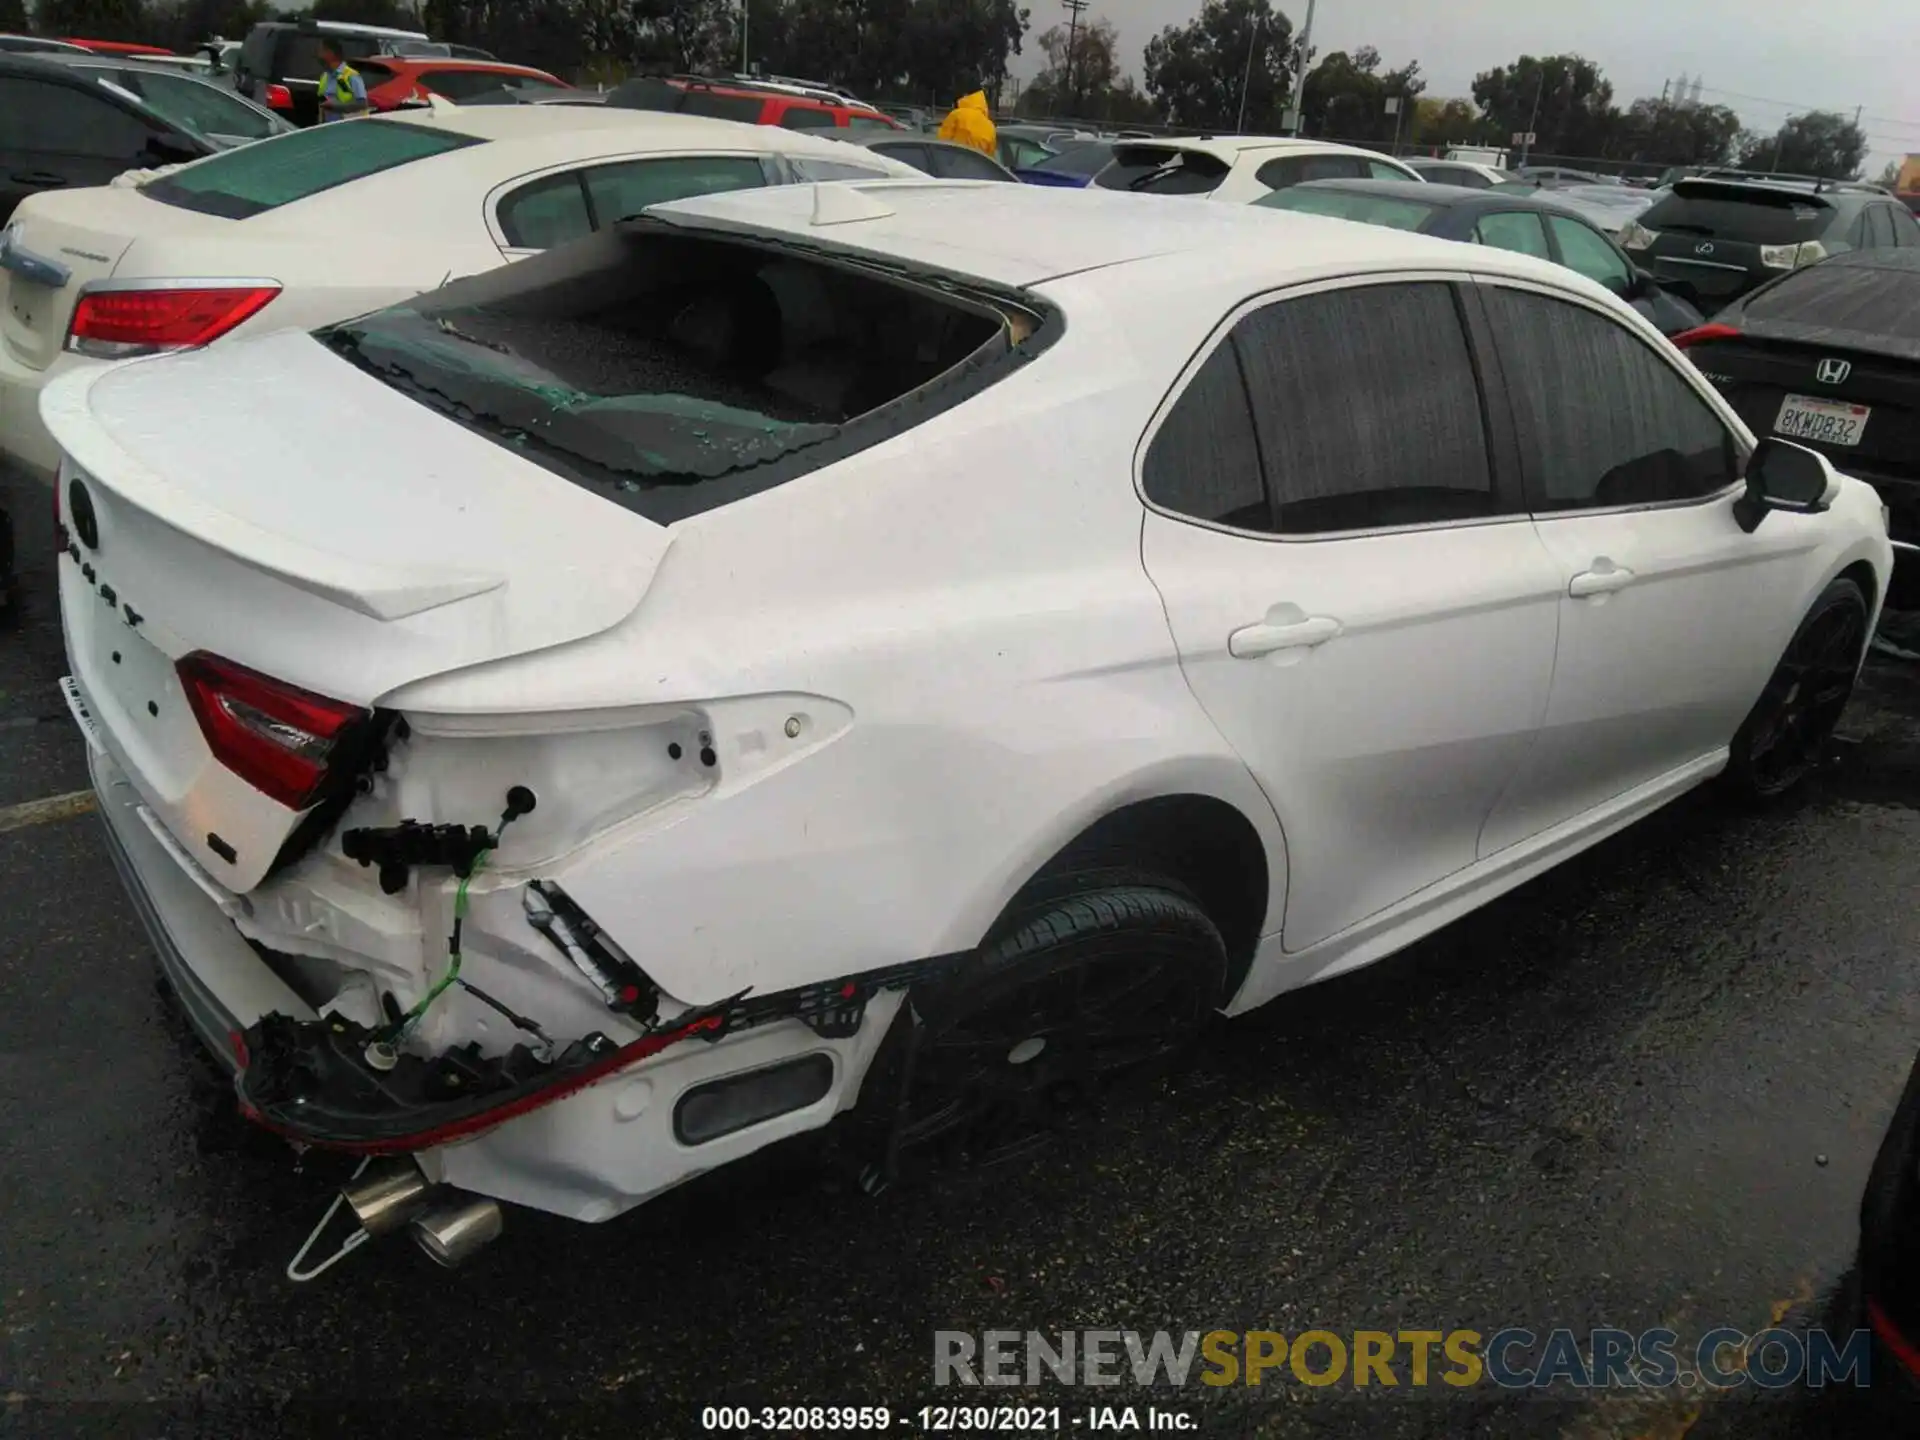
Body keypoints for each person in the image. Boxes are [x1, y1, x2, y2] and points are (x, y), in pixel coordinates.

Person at [316, 37, 369, 122]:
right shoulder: (324, 77)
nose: (318, 56)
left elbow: (362, 104)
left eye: (321, 51)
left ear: (330, 53)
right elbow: (321, 106)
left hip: (350, 128)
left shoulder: (352, 76)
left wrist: (336, 106)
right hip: (329, 129)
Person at [937, 88, 996, 158]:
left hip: (953, 163)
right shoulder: (990, 126)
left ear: (967, 97)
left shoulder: (956, 115)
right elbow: (990, 157)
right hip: (976, 166)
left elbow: (941, 143)